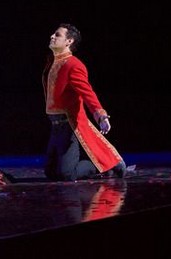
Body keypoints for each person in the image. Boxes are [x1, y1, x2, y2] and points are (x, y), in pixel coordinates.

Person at [42, 23, 126, 181]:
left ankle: (106, 167)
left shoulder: (74, 65)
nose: (52, 36)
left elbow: (87, 92)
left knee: (67, 175)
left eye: (57, 35)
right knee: (50, 173)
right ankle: (103, 165)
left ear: (69, 41)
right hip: (55, 126)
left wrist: (101, 115)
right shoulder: (52, 63)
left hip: (69, 125)